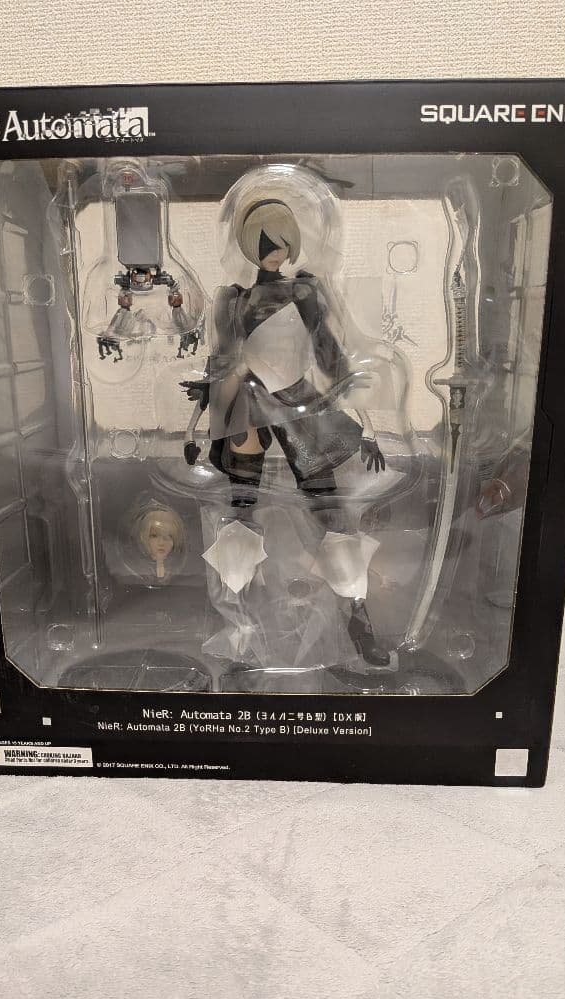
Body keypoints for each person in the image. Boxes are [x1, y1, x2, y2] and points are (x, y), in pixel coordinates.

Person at [182, 197, 391, 667]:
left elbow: (331, 357)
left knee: (329, 511)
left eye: (281, 243)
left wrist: (369, 426)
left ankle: (358, 617)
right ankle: (239, 632)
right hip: (246, 405)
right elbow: (223, 361)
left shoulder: (304, 292)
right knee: (239, 514)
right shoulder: (233, 300)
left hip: (297, 402)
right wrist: (197, 420)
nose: (275, 253)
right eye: (265, 245)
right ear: (248, 246)